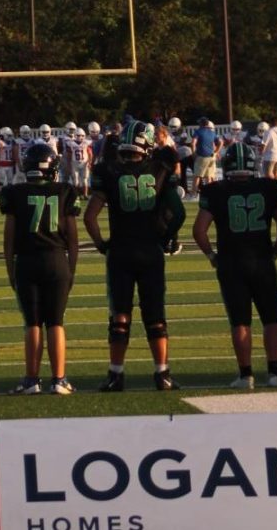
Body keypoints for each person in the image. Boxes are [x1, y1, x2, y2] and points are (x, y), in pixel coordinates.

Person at [85, 119, 186, 391]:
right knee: (154, 313)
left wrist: (101, 244)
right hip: (150, 250)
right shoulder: (159, 168)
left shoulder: (108, 170)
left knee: (120, 315)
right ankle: (162, 374)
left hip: (120, 250)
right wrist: (166, 237)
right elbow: (179, 213)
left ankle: (116, 374)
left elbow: (90, 217)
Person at [192, 141, 277, 389]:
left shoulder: (214, 190)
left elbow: (199, 231)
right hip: (262, 261)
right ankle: (274, 372)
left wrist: (211, 256)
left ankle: (245, 375)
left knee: (240, 321)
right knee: (272, 318)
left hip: (230, 263)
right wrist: (276, 252)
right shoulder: (269, 187)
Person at [1, 142, 79, 395]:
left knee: (32, 323)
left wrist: (10, 269)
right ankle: (59, 379)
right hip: (56, 259)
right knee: (55, 322)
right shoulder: (65, 191)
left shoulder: (15, 192)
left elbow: (9, 238)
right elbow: (73, 237)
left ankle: (32, 380)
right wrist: (71, 268)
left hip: (26, 260)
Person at [191, 118, 221, 195]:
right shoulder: (212, 133)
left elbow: (193, 143)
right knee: (209, 176)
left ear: (201, 124)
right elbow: (220, 142)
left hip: (202, 156)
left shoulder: (198, 132)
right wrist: (216, 152)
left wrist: (194, 153)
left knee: (197, 176)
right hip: (211, 157)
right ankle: (210, 193)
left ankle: (194, 194)